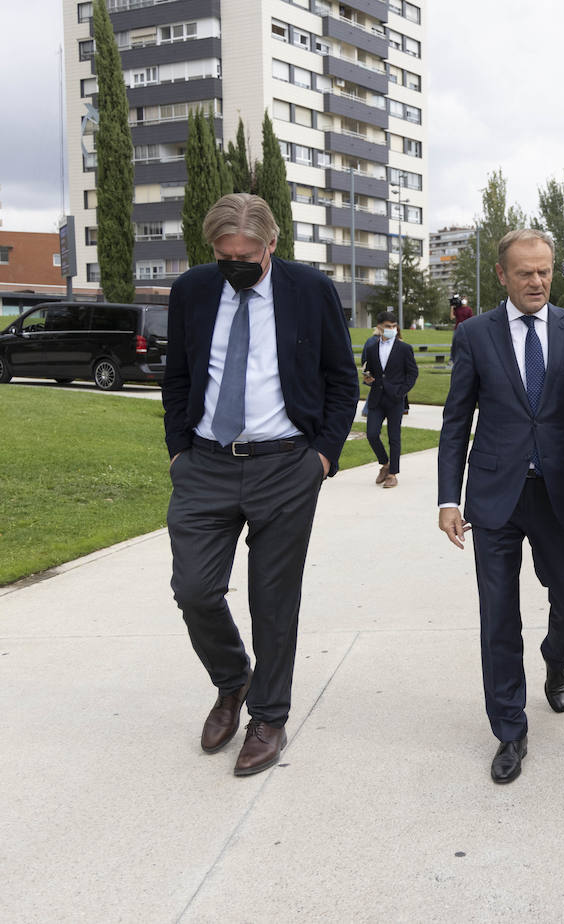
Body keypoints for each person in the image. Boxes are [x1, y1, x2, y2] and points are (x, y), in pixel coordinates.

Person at [162, 193, 357, 777]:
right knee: (194, 588)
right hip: (205, 464)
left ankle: (268, 717)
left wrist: (320, 457)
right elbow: (177, 376)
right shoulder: (193, 291)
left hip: (285, 466)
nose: (236, 265)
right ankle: (232, 681)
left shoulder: (310, 290)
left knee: (274, 600)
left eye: (247, 254)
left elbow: (341, 381)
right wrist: (178, 452)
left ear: (272, 244)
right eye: (225, 256)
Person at [437, 229, 564, 785]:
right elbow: (457, 419)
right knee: (498, 614)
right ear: (502, 275)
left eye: (545, 271)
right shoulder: (475, 334)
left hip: (561, 495)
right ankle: (509, 728)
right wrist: (447, 498)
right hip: (494, 497)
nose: (537, 281)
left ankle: (557, 657)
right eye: (525, 272)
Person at [362, 310, 418, 488]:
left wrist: (401, 391)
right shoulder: (371, 349)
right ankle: (385, 463)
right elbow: (369, 371)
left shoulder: (404, 348)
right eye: (388, 327)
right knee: (371, 434)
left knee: (394, 437)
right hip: (377, 398)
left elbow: (412, 374)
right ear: (379, 327)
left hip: (395, 399)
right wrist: (367, 379)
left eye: (394, 326)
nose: (392, 329)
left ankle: (393, 474)